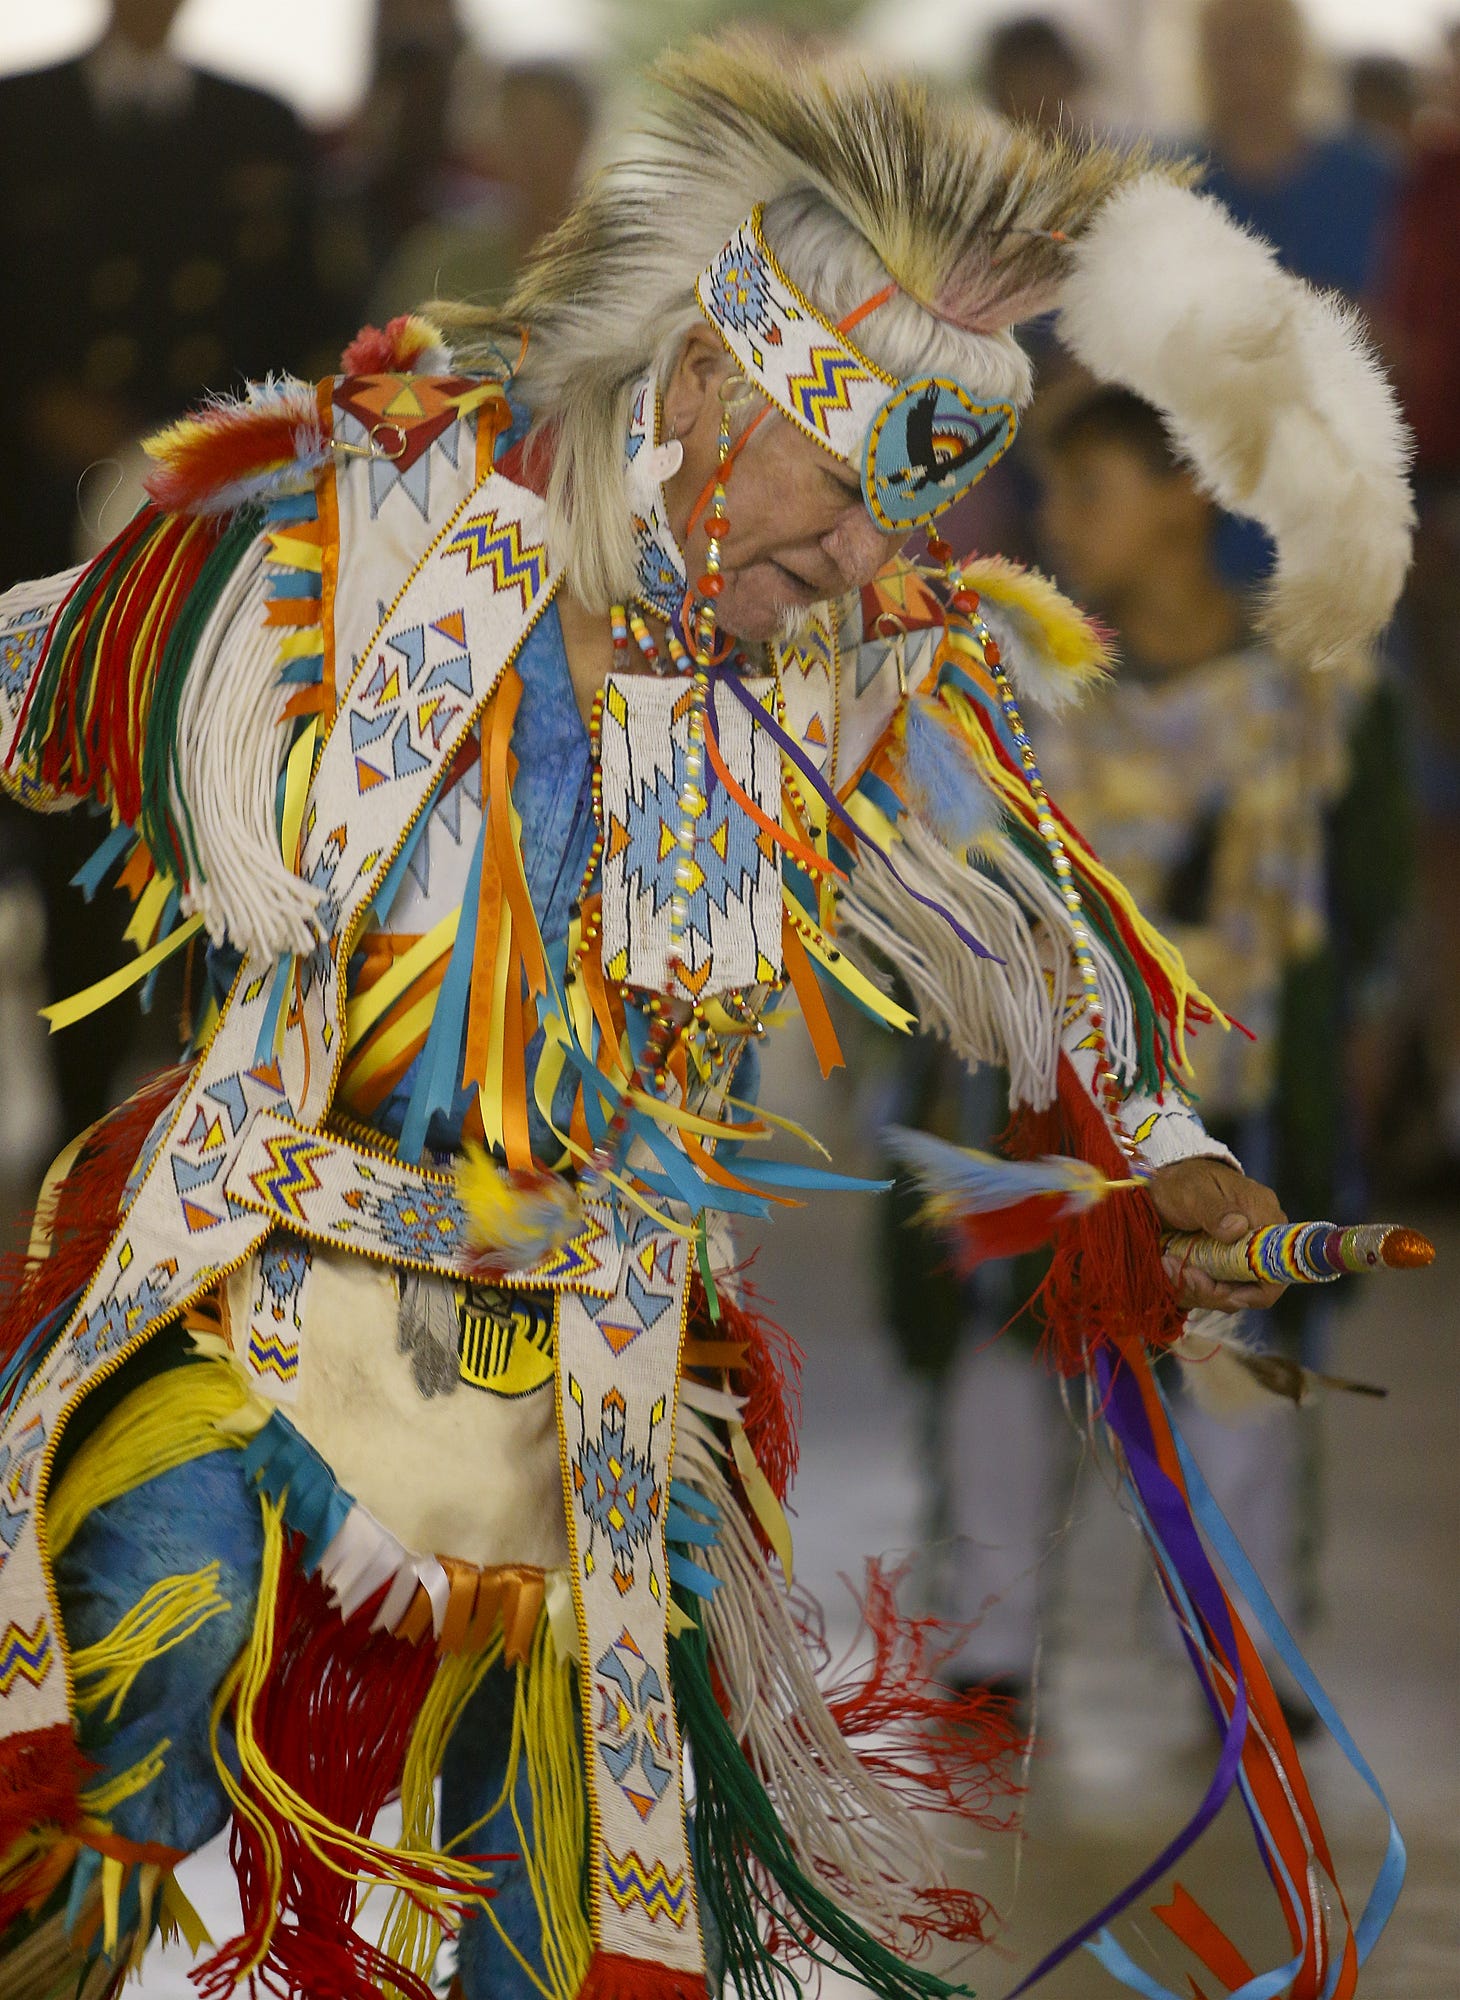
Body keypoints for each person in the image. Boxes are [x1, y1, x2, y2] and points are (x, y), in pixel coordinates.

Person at [0, 37, 1412, 2000]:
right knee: (123, 1763)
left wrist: (1158, 1150)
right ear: (703, 394)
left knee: (538, 1933)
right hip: (247, 1297)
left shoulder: (848, 671)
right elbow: (63, 647)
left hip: (579, 1388)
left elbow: (1034, 920)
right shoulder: (398, 517)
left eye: (892, 520)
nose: (858, 558)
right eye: (838, 494)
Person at [922, 386, 1407, 1703]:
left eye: (1089, 492)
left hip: (1237, 1096)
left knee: (1235, 1370)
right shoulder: (1018, 693)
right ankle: (992, 1638)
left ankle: (1244, 1657)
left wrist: (1345, 1039)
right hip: (1055, 1102)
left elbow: (1363, 893)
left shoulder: (1312, 692)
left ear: (1187, 492)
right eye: (1051, 496)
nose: (1056, 524)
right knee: (1012, 1350)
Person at [0, 0, 323, 1154]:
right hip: (41, 534)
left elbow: (311, 326)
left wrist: (207, 446)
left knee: (205, 803)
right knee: (65, 815)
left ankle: (187, 1116)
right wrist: (43, 405)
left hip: (203, 536)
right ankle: (80, 1116)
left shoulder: (259, 126)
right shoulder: (20, 114)